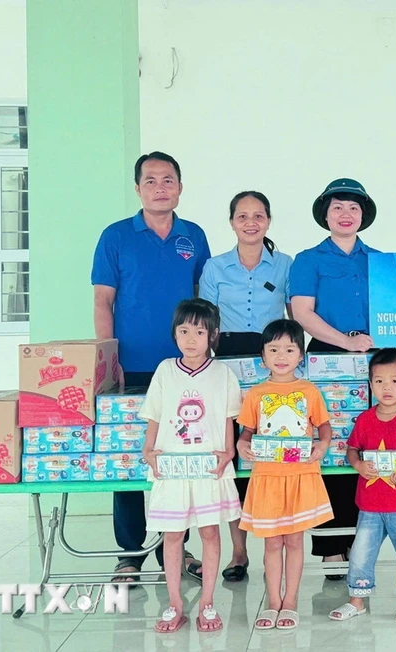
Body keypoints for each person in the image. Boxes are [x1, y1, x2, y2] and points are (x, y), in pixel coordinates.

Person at [91, 151, 210, 582]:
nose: (160, 187)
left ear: (180, 186)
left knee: (181, 454)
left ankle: (176, 549)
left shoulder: (193, 236)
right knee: (131, 455)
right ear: (137, 187)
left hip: (186, 365)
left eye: (168, 179)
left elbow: (202, 302)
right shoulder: (117, 236)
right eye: (151, 180)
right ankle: (130, 551)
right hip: (133, 366)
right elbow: (103, 301)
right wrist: (110, 359)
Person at [199, 190, 292, 582]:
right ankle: (239, 553)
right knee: (233, 456)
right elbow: (206, 322)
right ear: (232, 222)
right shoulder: (214, 266)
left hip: (272, 360)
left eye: (258, 215)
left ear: (268, 221)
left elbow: (294, 317)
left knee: (272, 453)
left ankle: (282, 539)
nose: (250, 222)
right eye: (242, 216)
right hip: (227, 361)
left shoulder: (285, 264)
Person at [289, 178, 381, 573]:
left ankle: (363, 540)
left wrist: (375, 340)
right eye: (338, 207)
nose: (346, 214)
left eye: (354, 208)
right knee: (328, 445)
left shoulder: (378, 260)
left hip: (375, 360)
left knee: (367, 444)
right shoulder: (308, 259)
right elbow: (302, 313)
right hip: (328, 359)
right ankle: (330, 546)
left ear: (363, 216)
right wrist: (346, 342)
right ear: (325, 214)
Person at [139, 299, 242, 633]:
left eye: (199, 331)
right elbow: (154, 414)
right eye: (184, 331)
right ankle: (175, 604)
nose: (191, 338)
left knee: (210, 532)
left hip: (209, 467)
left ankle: (208, 602)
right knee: (172, 535)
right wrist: (148, 449)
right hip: (172, 468)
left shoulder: (222, 373)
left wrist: (228, 453)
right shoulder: (165, 369)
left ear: (212, 334)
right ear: (175, 333)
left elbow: (229, 418)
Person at [236, 319, 333, 630]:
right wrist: (241, 443)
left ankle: (290, 600)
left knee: (293, 540)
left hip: (300, 475)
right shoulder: (255, 394)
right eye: (273, 349)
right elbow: (247, 430)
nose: (281, 355)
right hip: (266, 478)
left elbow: (324, 425)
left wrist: (323, 444)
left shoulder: (309, 391)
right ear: (262, 356)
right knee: (271, 543)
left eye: (289, 349)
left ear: (300, 356)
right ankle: (272, 601)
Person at [328, 349, 396, 623]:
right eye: (380, 381)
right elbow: (352, 450)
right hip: (370, 505)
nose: (387, 387)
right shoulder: (364, 420)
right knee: (361, 553)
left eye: (395, 381)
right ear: (370, 385)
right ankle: (357, 600)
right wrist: (359, 466)